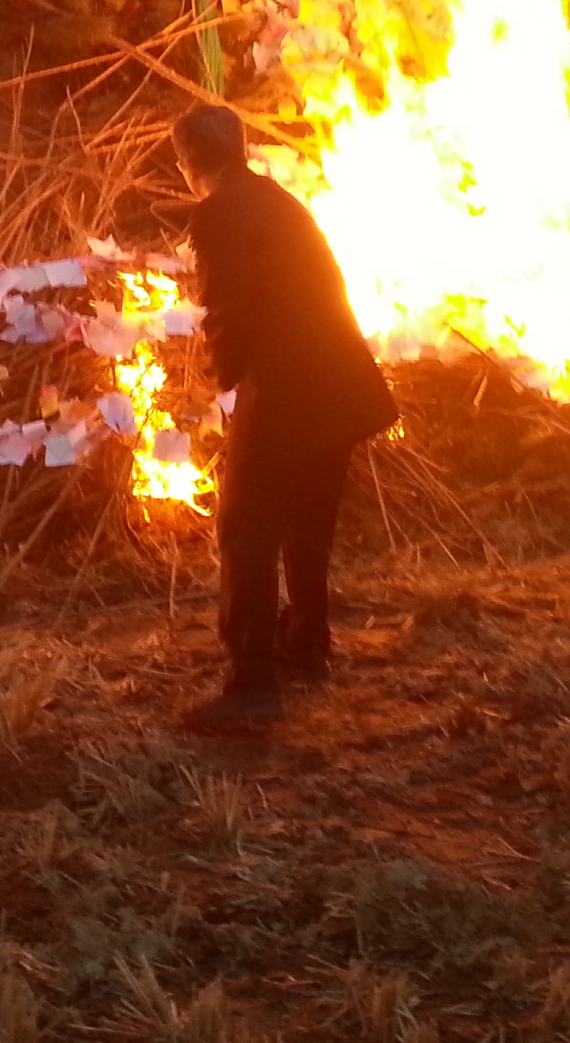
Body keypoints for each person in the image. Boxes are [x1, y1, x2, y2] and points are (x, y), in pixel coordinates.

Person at [173, 103, 397, 730]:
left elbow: (227, 305)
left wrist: (224, 376)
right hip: (339, 381)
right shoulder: (275, 198)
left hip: (289, 385)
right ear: (239, 147)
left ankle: (253, 688)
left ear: (186, 159)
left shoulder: (218, 211)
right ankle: (307, 642)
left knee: (245, 529)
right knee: (307, 521)